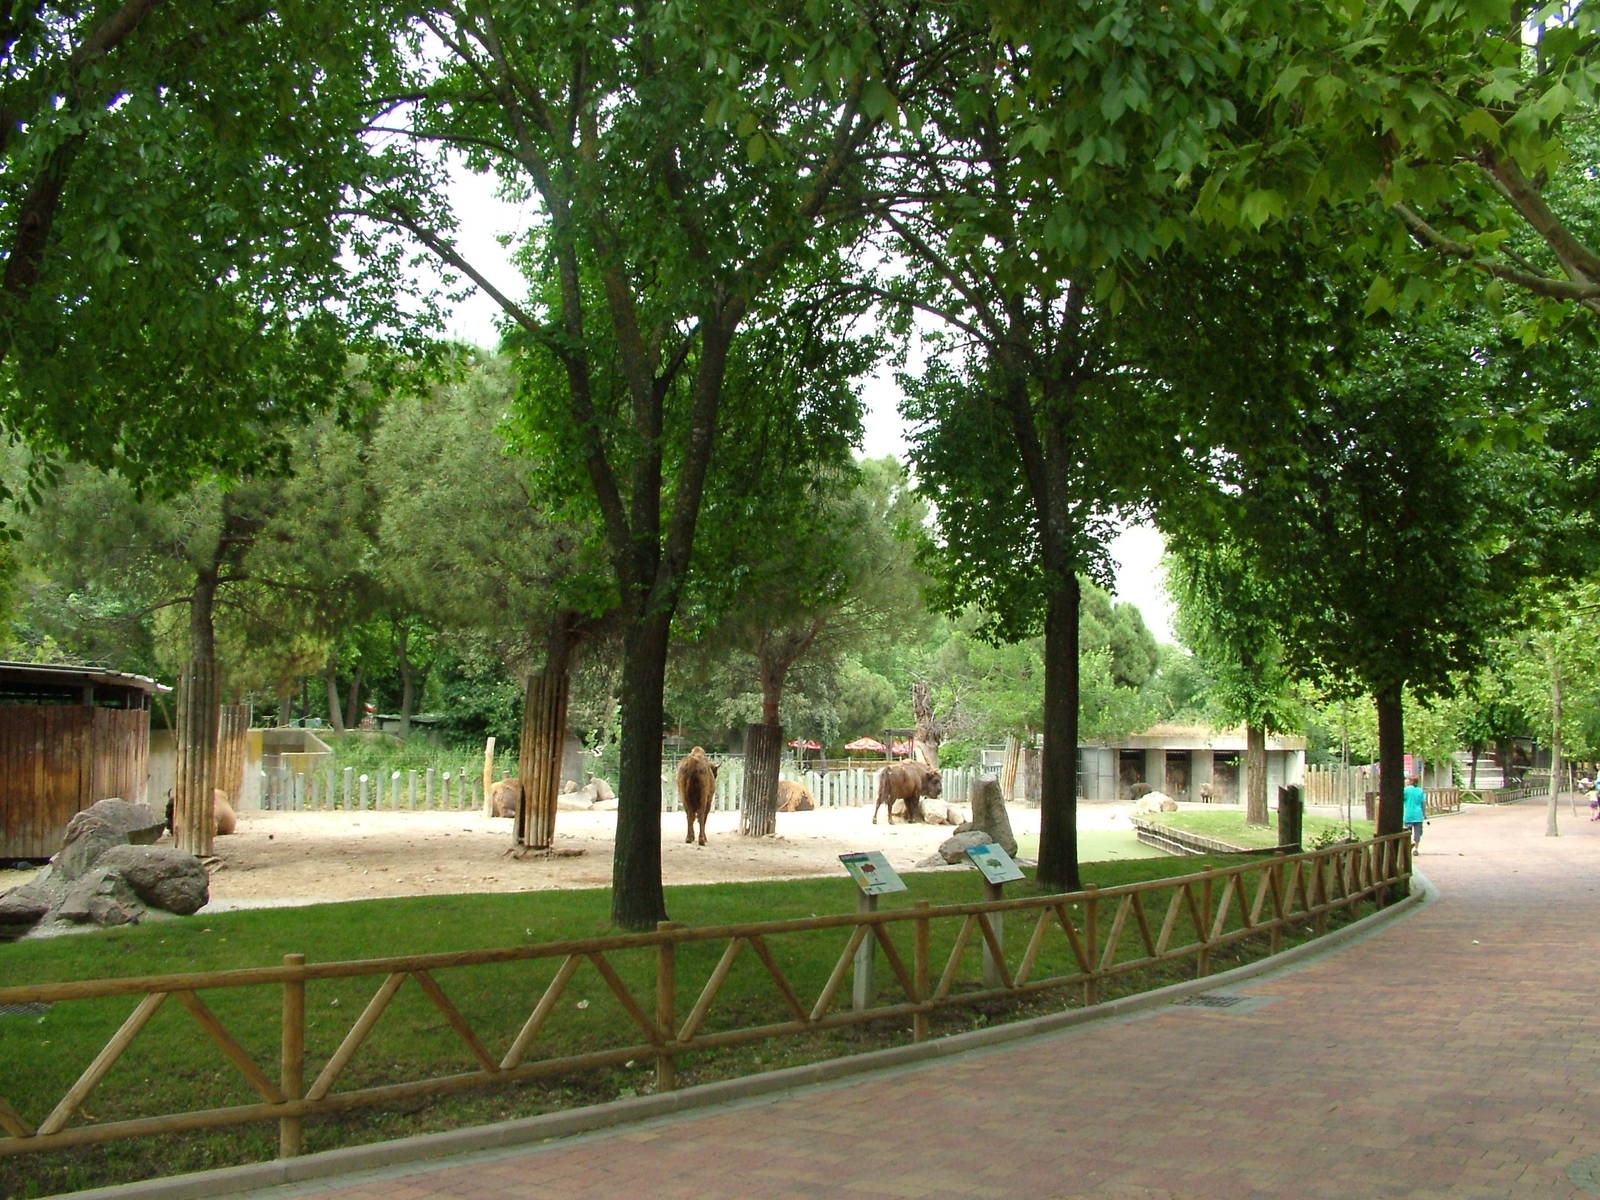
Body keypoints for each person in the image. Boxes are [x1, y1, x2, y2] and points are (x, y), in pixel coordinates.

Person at [1403, 775, 1426, 852]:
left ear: (1411, 781)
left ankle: (1408, 846)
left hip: (1408, 814)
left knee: (1407, 832)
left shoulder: (1405, 790)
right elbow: (1423, 803)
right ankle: (1416, 848)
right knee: (1418, 833)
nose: (1407, 782)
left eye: (1409, 780)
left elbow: (1402, 799)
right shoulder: (1420, 790)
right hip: (1418, 815)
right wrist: (1424, 814)